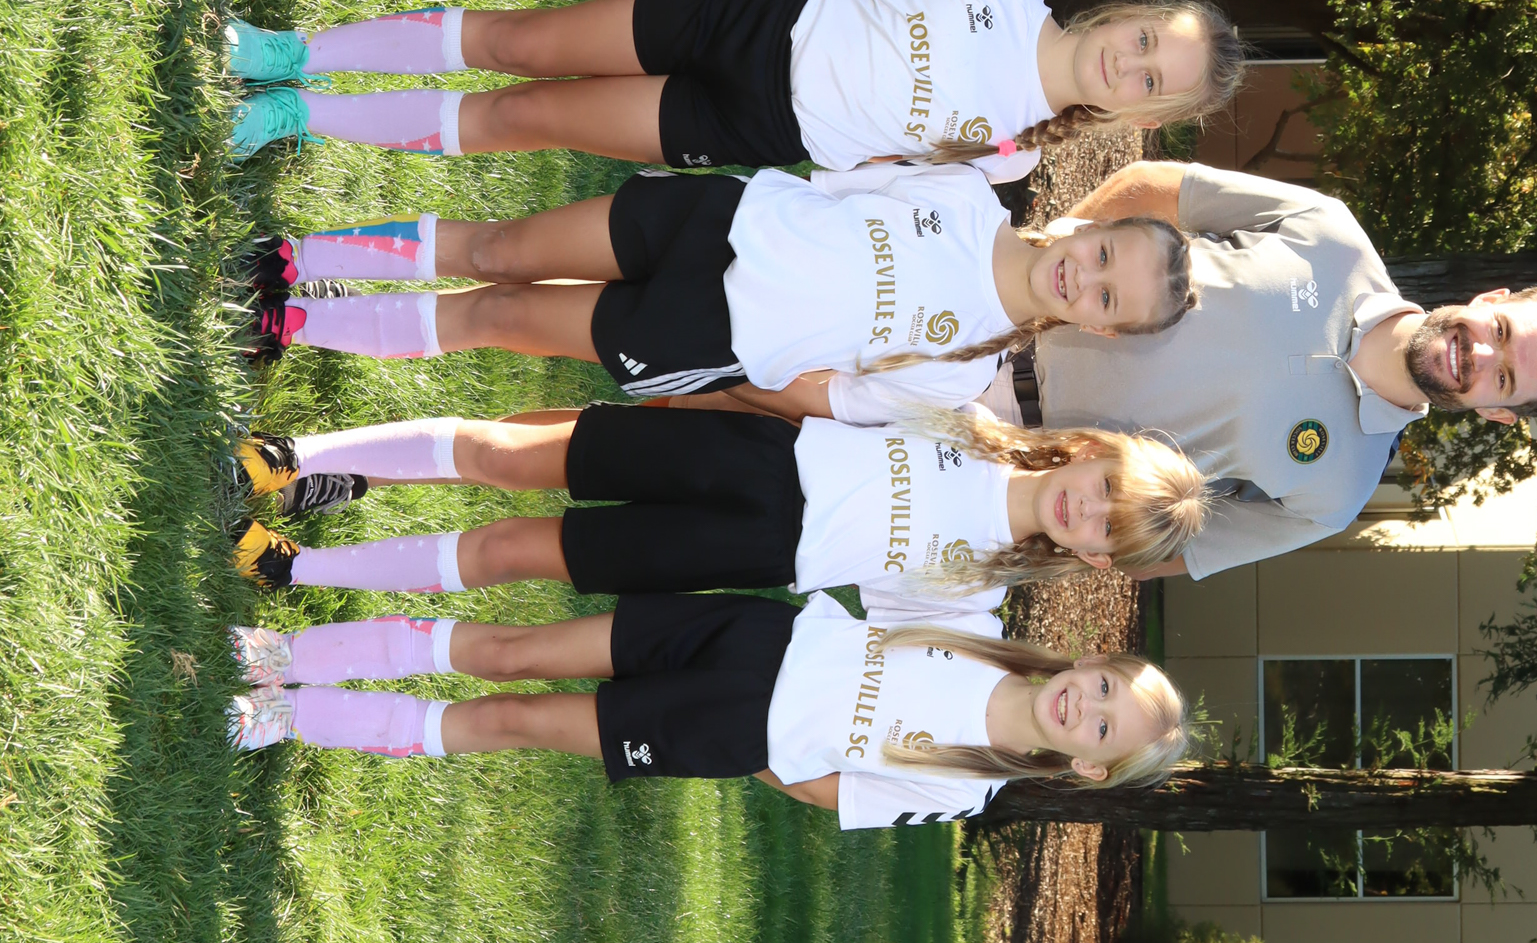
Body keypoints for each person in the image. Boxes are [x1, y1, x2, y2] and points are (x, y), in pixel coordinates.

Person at [989, 161, 1537, 577]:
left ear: (1496, 412)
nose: (1482, 354)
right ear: (1492, 300)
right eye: (1502, 332)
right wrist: (1035, 281)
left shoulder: (1338, 494)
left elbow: (1169, 551)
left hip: (1003, 461)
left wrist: (1045, 514)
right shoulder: (1331, 235)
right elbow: (1152, 186)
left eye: (1504, 378)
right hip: (996, 323)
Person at [243, 162, 1197, 412]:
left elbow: (826, 394)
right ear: (1098, 226)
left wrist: (738, 366)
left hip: (707, 331)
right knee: (501, 248)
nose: (1087, 278)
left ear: (1100, 331)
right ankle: (300, 261)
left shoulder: (958, 373)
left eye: (1108, 299)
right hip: (713, 221)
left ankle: (296, 326)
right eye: (1107, 255)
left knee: (501, 313)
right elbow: (836, 183)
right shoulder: (964, 194)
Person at [218, 0, 1244, 179]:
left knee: (522, 117)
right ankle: (291, 53)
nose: (1132, 64)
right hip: (753, 22)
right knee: (520, 42)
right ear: (1132, 14)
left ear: (1144, 119)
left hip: (756, 127)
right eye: (1148, 42)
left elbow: (874, 181)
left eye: (1153, 82)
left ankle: (294, 116)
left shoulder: (1011, 157)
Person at [222, 581, 1189, 821]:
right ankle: (285, 654)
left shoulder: (967, 788)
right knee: (515, 653)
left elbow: (829, 792)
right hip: (743, 636)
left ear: (1088, 765)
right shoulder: (974, 623)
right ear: (1090, 661)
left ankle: (289, 715)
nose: (1087, 707)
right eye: (1104, 686)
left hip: (727, 729)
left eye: (1105, 729)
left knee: (513, 721)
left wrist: (747, 748)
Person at [223, 400, 1208, 596]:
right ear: (1091, 453)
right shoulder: (968, 416)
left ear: (1096, 557)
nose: (1085, 511)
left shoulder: (976, 588)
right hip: (743, 457)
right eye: (1102, 490)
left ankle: (298, 568)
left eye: (1105, 529)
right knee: (500, 452)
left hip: (747, 553)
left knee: (513, 551)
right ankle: (293, 457)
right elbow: (824, 393)